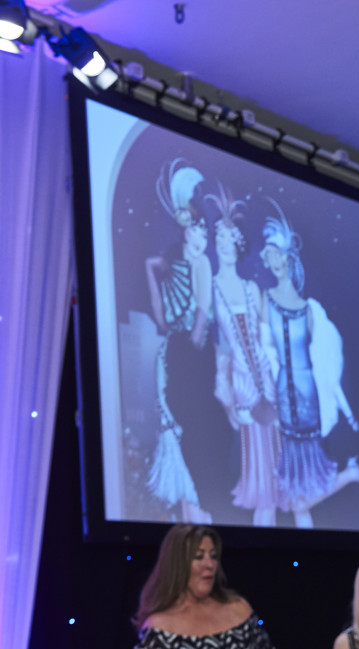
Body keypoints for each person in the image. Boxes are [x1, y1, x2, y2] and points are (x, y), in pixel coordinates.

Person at [260, 199, 359, 528]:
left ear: (290, 259)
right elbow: (265, 353)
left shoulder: (311, 310)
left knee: (300, 497)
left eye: (280, 255)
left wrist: (343, 411)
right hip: (281, 396)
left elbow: (327, 365)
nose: (275, 262)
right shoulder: (265, 301)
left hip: (307, 396)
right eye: (270, 255)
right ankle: (349, 474)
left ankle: (348, 474)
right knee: (290, 498)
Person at [122, 524, 284, 649]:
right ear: (177, 564)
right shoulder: (159, 628)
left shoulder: (240, 609)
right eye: (199, 556)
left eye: (213, 556)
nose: (210, 564)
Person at [208, 184, 282, 527]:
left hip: (265, 376)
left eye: (230, 240)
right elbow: (218, 346)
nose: (224, 246)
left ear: (238, 245)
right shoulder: (211, 288)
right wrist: (225, 396)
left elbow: (266, 336)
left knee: (279, 454)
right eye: (219, 240)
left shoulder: (253, 289)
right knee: (257, 457)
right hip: (240, 379)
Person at [145, 160, 214, 524]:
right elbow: (154, 271)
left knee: (198, 423)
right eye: (189, 226)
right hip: (177, 350)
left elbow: (202, 310)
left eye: (200, 229)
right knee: (180, 421)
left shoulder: (202, 265)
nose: (195, 233)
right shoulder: (173, 258)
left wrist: (195, 339)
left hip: (194, 354)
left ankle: (202, 501)